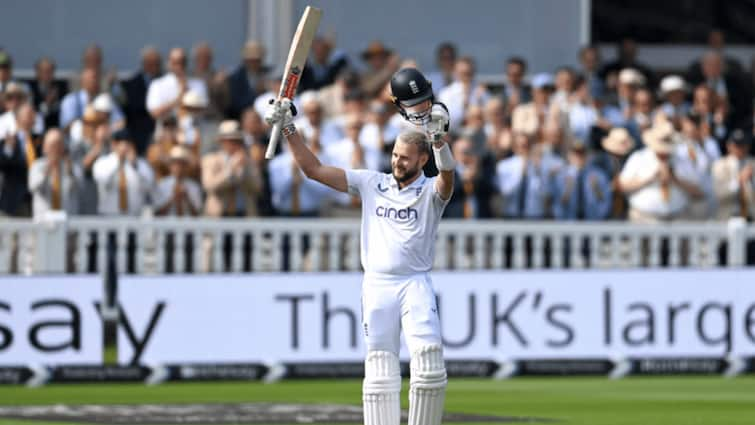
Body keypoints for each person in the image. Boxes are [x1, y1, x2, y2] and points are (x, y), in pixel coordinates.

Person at [264, 65, 453, 425]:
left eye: (406, 158)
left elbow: (447, 177)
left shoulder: (431, 193)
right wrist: (288, 127)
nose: (397, 161)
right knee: (380, 373)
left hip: (414, 283)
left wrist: (440, 140)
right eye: (395, 155)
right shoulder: (371, 183)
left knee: (428, 365)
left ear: (422, 160)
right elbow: (314, 170)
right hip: (377, 285)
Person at [28, 129, 82, 218]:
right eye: (52, 145)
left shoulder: (72, 166)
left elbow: (79, 188)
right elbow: (34, 187)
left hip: (68, 223)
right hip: (43, 221)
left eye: (59, 145)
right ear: (45, 147)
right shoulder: (37, 166)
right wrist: (47, 169)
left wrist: (70, 172)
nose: (56, 149)